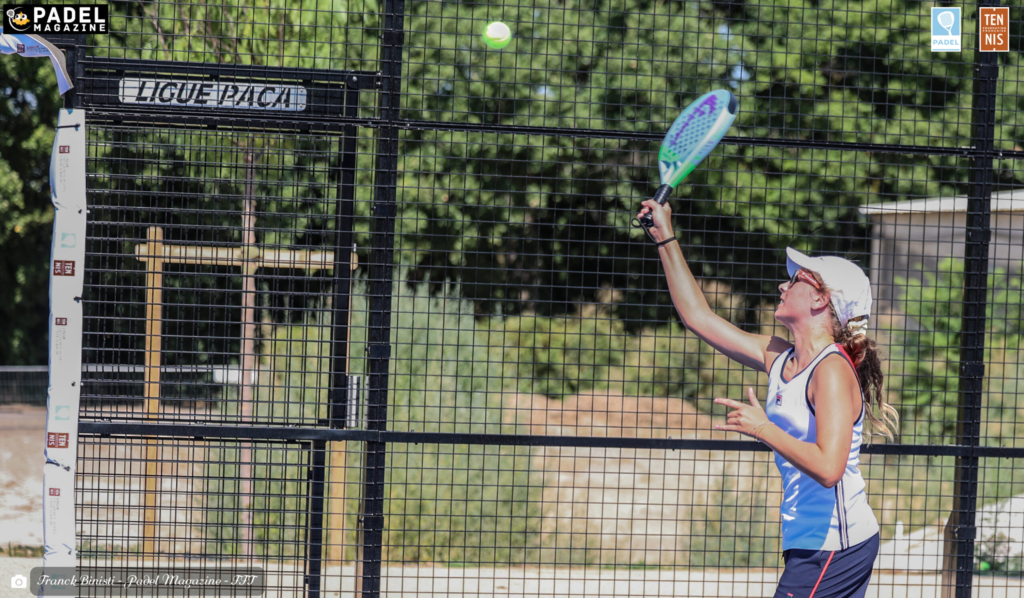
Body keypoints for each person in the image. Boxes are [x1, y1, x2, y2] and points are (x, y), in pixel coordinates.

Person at [637, 198, 899, 598]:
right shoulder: (781, 356)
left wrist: (763, 428)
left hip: (834, 546)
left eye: (796, 280)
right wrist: (665, 239)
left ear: (819, 300)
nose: (783, 284)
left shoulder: (830, 372)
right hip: (812, 541)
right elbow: (699, 318)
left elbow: (829, 468)